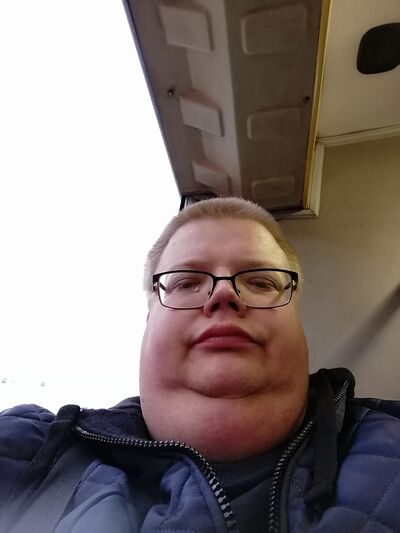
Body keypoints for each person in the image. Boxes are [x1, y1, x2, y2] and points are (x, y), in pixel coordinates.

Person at [1, 196, 399, 533]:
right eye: (186, 282)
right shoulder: (31, 449)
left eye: (261, 282)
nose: (224, 293)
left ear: (297, 316)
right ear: (149, 318)